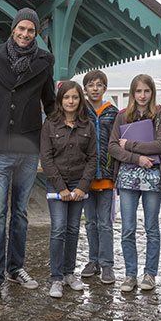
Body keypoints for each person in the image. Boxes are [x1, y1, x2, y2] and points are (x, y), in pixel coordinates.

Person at [0, 7, 55, 302]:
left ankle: (15, 267)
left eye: (31, 30)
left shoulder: (45, 61)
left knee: (20, 213)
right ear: (13, 29)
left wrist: (64, 129)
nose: (25, 34)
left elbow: (50, 101)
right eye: (22, 29)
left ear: (35, 34)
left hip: (29, 147)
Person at [108, 74, 161, 293]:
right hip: (127, 177)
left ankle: (150, 274)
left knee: (151, 228)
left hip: (153, 177)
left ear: (152, 93)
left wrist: (131, 145)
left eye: (147, 91)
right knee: (127, 229)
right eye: (138, 91)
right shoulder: (123, 115)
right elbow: (113, 147)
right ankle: (130, 274)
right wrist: (137, 158)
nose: (142, 95)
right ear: (132, 93)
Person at [40, 81, 98, 298]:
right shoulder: (50, 124)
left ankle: (68, 273)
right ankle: (56, 278)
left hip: (79, 185)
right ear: (60, 100)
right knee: (58, 229)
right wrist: (61, 187)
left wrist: (83, 187)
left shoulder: (87, 125)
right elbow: (46, 158)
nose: (71, 101)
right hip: (57, 185)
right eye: (66, 98)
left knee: (73, 229)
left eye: (74, 97)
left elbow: (92, 158)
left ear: (79, 100)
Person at [79, 70, 119, 284]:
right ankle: (92, 260)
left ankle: (106, 264)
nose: (95, 88)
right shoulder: (79, 111)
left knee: (105, 222)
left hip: (105, 175)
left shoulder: (113, 112)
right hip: (84, 176)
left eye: (99, 84)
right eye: (90, 85)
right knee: (90, 222)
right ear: (84, 89)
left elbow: (118, 140)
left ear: (105, 88)